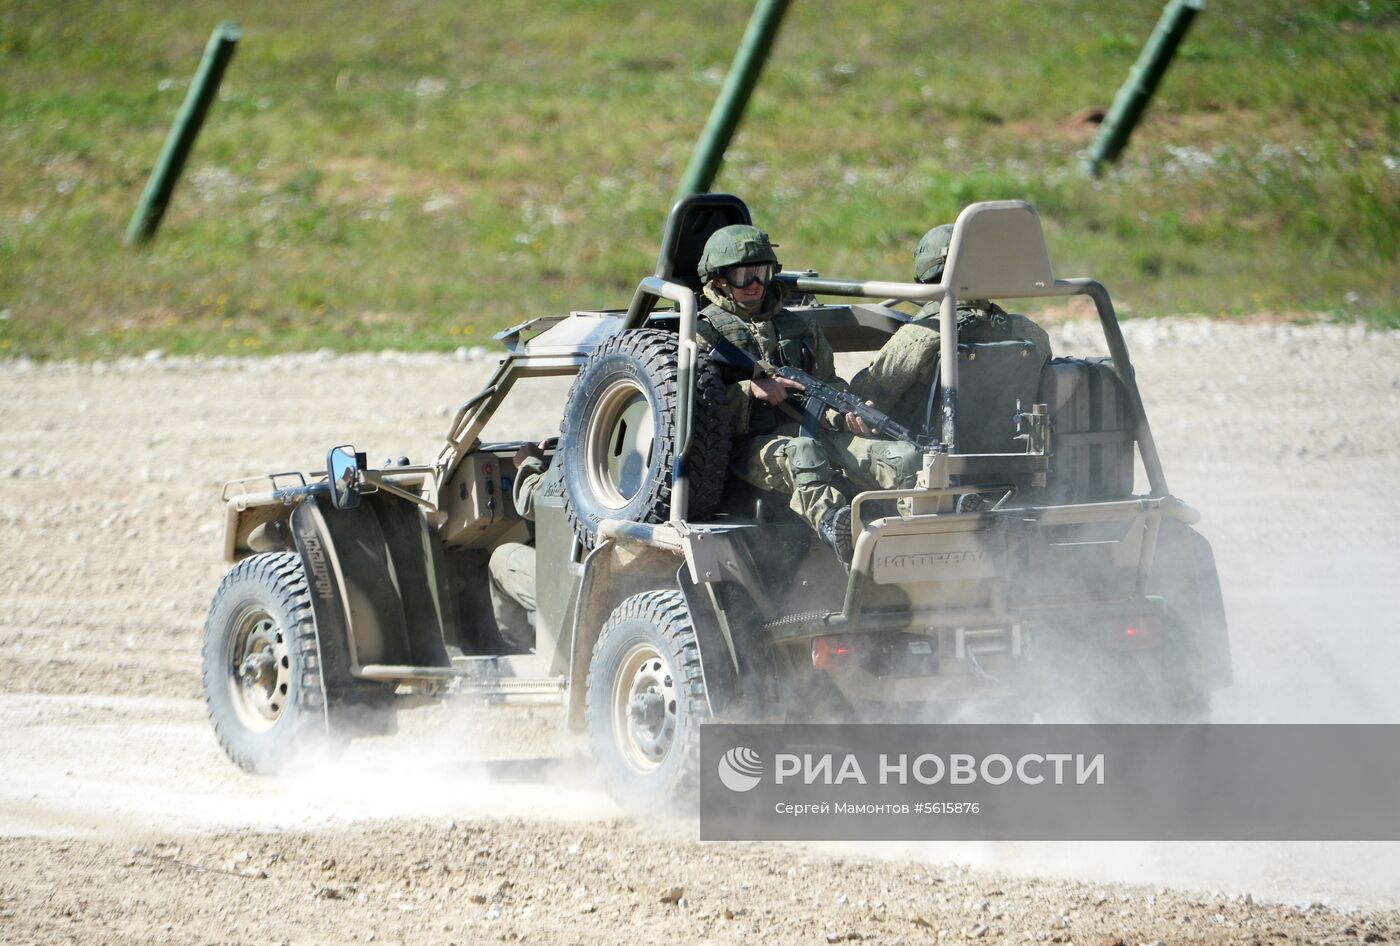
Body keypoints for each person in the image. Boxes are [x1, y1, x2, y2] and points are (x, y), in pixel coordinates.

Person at [694, 224, 919, 566]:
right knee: (803, 453)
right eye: (743, 275)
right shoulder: (702, 333)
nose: (754, 283)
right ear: (719, 279)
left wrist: (845, 414)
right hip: (746, 445)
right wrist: (749, 390)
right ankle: (835, 526)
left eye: (762, 273)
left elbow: (827, 382)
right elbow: (691, 407)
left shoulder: (798, 327)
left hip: (814, 427)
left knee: (901, 456)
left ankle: (919, 537)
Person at [849, 223, 1053, 425]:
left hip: (930, 453)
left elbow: (861, 399)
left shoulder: (920, 336)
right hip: (1012, 449)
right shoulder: (1028, 332)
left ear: (925, 269)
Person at [487, 440, 556, 650]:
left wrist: (529, 463)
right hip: (627, 577)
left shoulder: (595, 455)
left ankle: (525, 650)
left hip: (582, 584)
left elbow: (532, 501)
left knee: (501, 559)